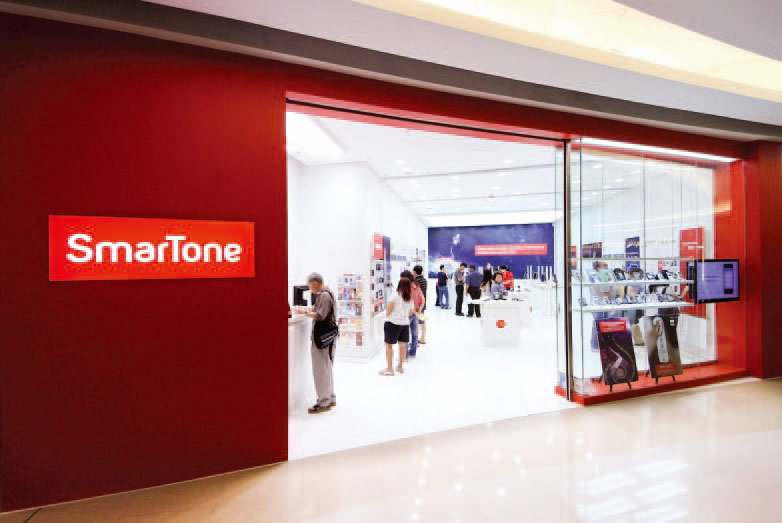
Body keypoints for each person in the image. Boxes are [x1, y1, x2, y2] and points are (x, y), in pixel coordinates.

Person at [303, 272, 337, 414]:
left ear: (315, 284)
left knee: (320, 370)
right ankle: (330, 398)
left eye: (310, 285)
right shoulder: (327, 293)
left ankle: (324, 402)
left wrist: (305, 313)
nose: (309, 288)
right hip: (328, 337)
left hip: (321, 338)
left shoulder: (323, 295)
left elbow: (321, 315)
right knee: (326, 367)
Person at [380, 278, 414, 376]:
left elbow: (389, 310)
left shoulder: (394, 296)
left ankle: (390, 369)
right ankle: (400, 367)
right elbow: (411, 312)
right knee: (403, 346)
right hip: (405, 324)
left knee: (389, 346)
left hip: (392, 323)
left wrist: (386, 314)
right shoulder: (409, 297)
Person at [402, 270, 424, 358]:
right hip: (416, 312)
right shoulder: (416, 285)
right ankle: (413, 352)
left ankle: (405, 355)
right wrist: (420, 310)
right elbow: (422, 299)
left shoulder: (406, 288)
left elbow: (405, 301)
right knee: (415, 333)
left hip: (408, 313)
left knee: (405, 334)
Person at [413, 265, 428, 344]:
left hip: (417, 305)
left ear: (415, 272)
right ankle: (422, 338)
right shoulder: (424, 280)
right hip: (423, 304)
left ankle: (415, 339)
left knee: (415, 323)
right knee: (422, 322)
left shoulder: (416, 281)